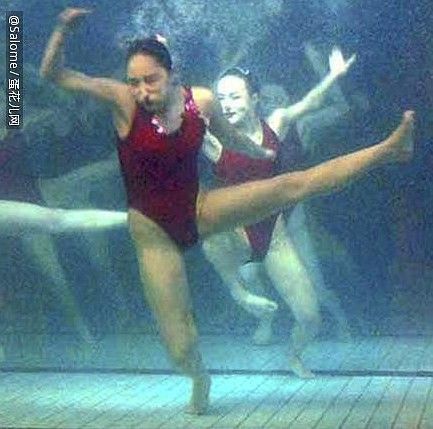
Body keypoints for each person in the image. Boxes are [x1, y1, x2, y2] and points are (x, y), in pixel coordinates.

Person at [40, 7, 414, 414]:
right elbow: (55, 75)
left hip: (200, 208)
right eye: (134, 82)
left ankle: (388, 149)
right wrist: (61, 31)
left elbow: (229, 135)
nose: (141, 91)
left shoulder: (201, 100)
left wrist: (257, 151)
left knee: (293, 185)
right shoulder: (124, 103)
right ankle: (200, 377)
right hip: (154, 235)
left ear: (172, 75)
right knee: (181, 347)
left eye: (150, 80)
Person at [201, 54, 355, 377]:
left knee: (310, 318)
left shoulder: (275, 123)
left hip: (274, 236)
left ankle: (294, 356)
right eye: (221, 98)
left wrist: (333, 75)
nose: (226, 105)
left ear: (254, 99)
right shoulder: (212, 137)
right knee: (207, 227)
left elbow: (310, 103)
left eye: (235, 97)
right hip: (234, 235)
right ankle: (240, 294)